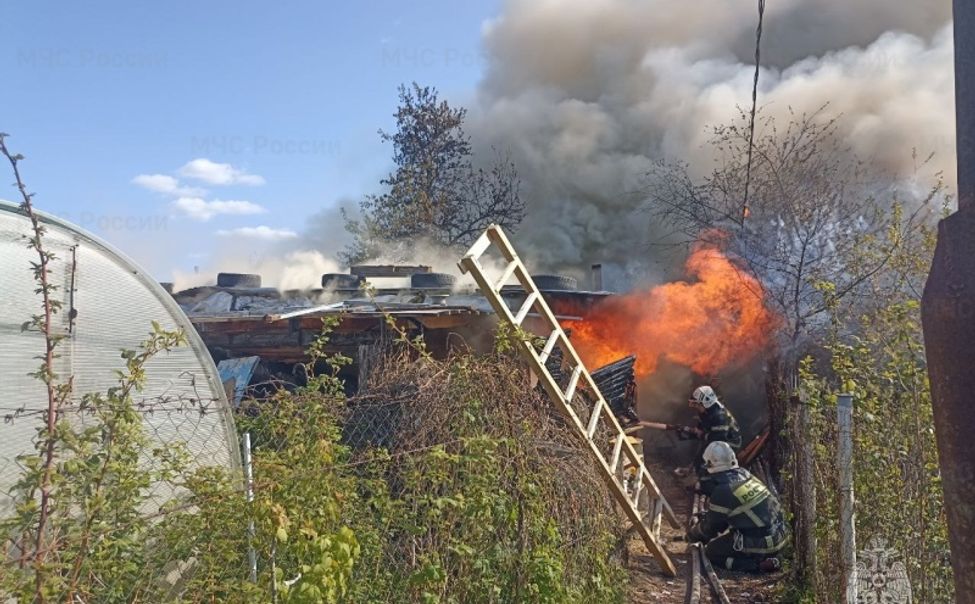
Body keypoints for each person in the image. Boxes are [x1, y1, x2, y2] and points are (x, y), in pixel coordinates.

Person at [687, 441, 787, 572]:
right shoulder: (745, 475)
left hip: (762, 543)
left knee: (712, 551)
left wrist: (693, 534)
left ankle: (757, 566)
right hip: (780, 535)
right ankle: (776, 558)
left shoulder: (723, 491)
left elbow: (712, 528)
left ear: (710, 465)